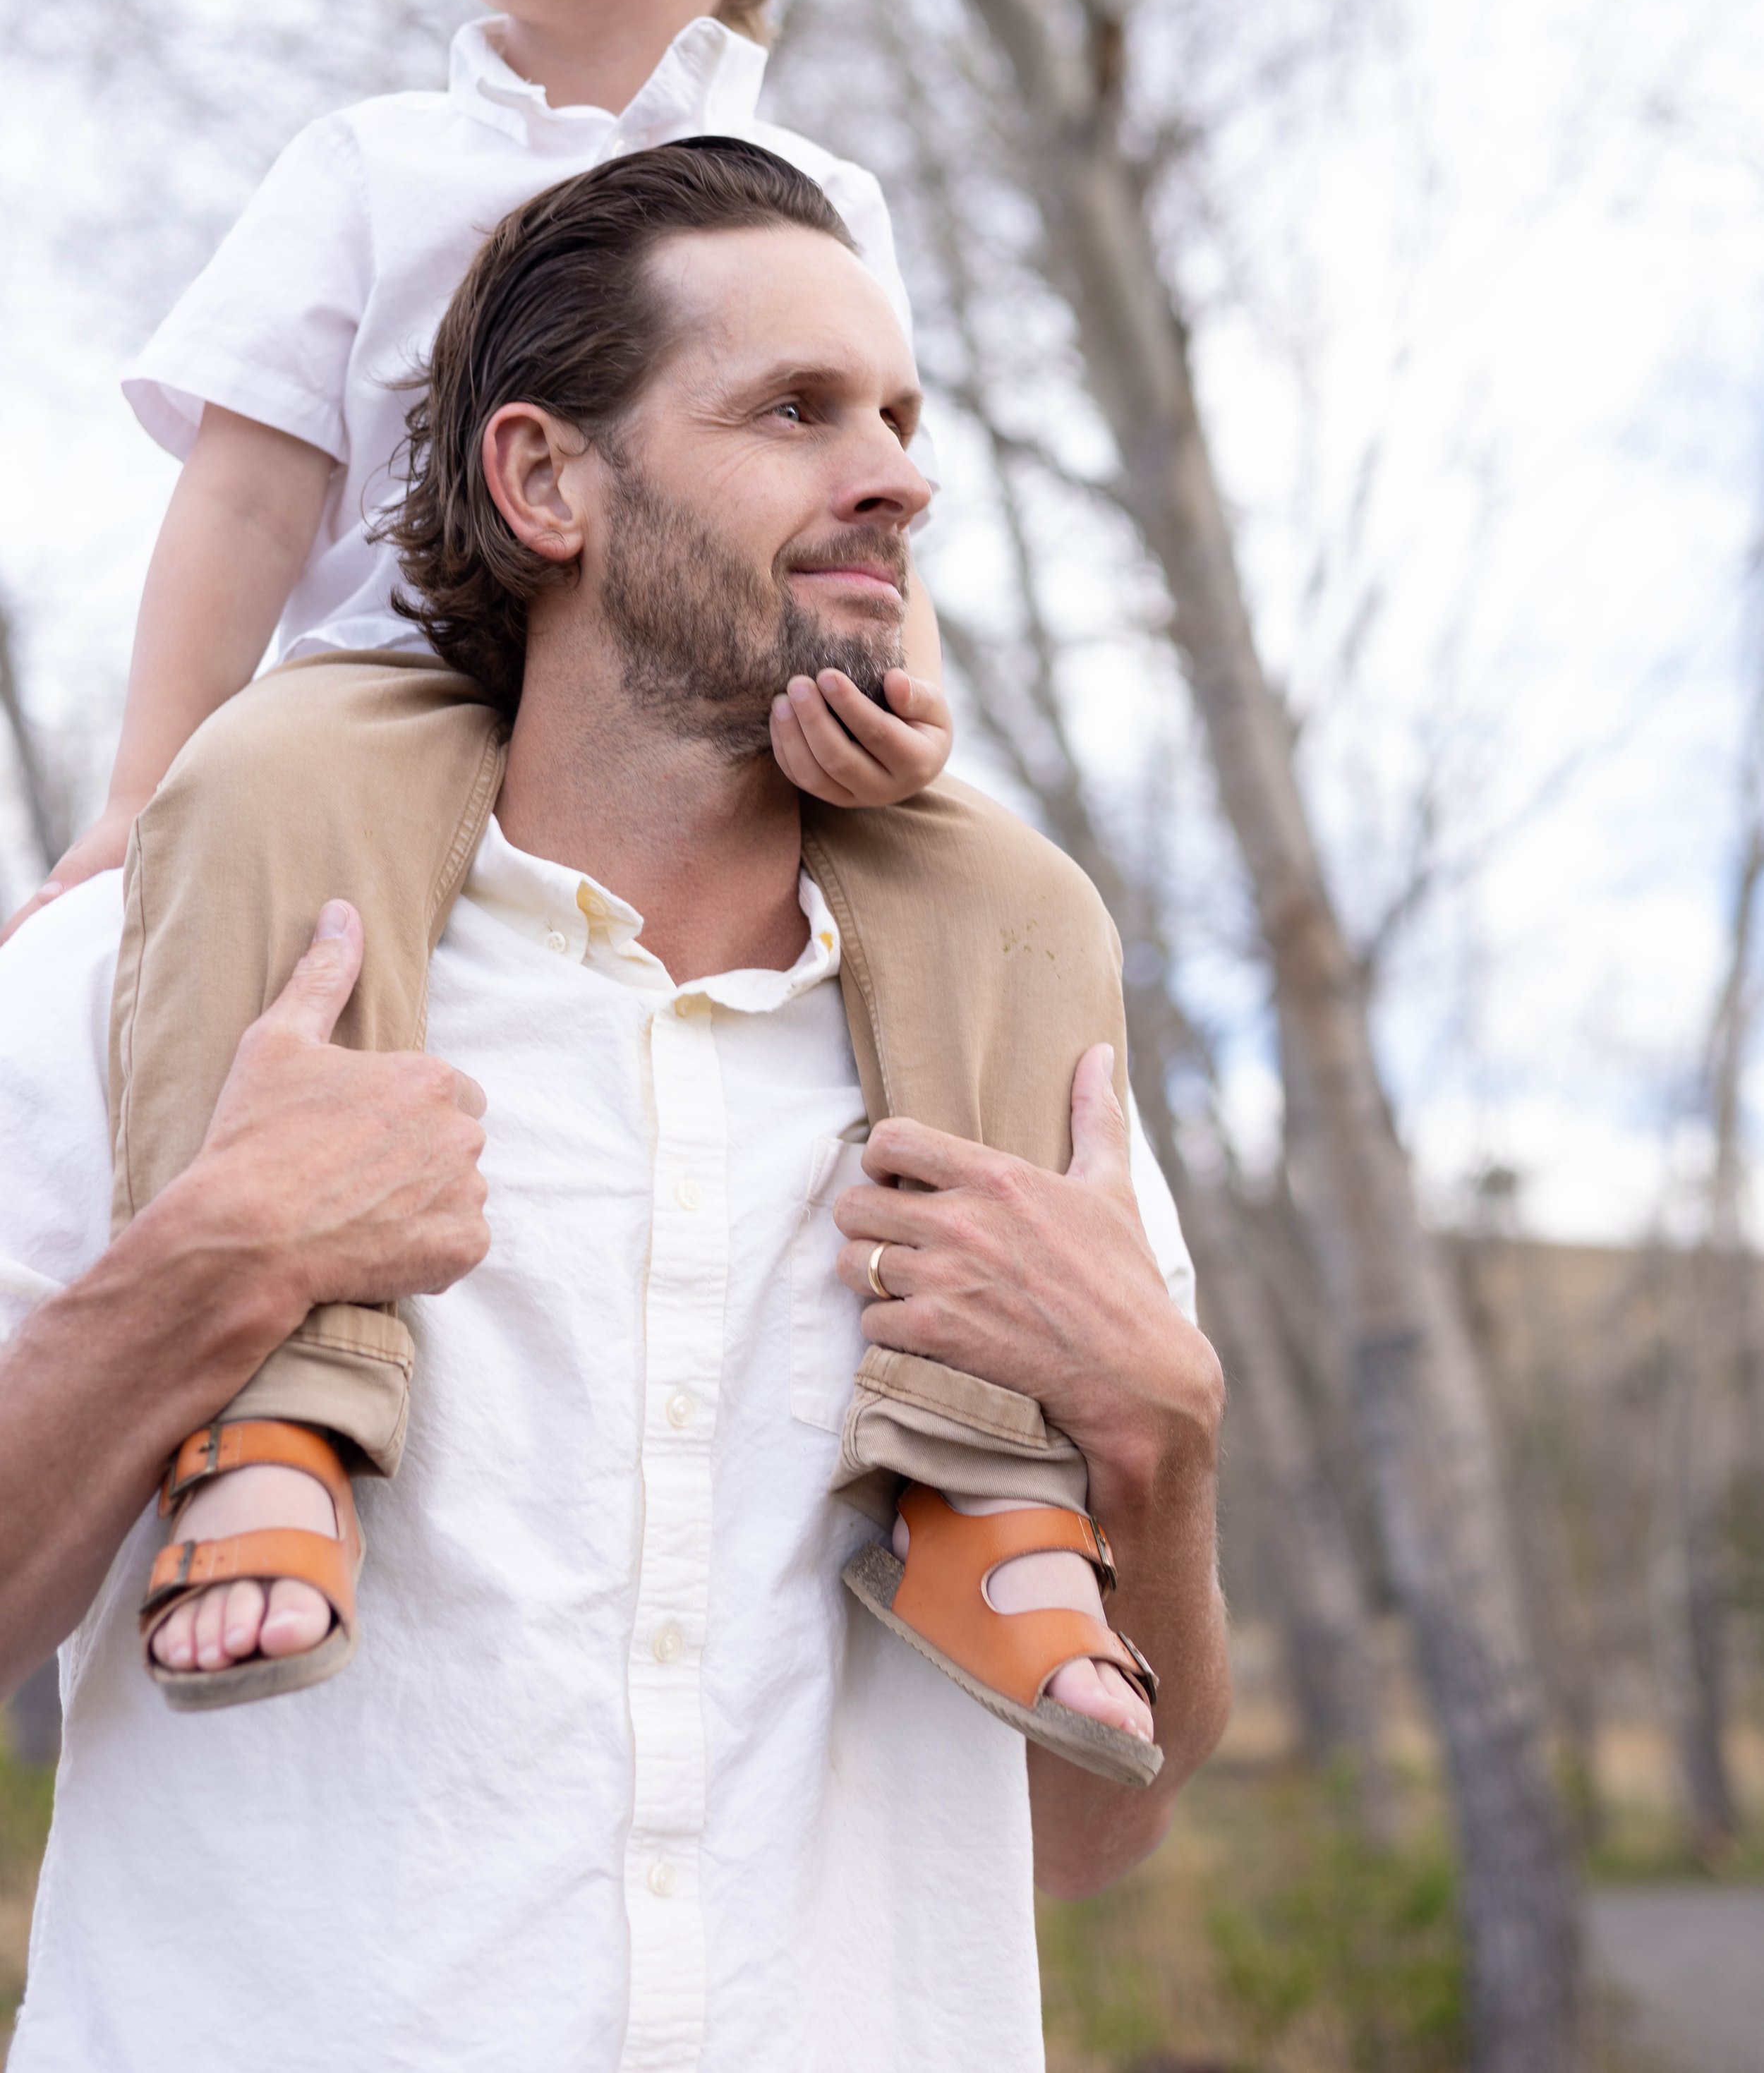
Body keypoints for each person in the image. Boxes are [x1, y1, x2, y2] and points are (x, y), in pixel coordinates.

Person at [0, 143, 1228, 2072]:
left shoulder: (1007, 1065)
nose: (897, 476)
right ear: (544, 481)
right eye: (794, 410)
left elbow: (1091, 1836)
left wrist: (1160, 1436)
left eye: (900, 421)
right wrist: (216, 1260)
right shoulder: (149, 982)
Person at [0, 0, 955, 1662]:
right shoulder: (371, 165)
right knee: (260, 803)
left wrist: (905, 701)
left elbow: (865, 485)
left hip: (703, 723)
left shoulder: (814, 197)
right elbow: (246, 497)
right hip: (392, 689)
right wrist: (140, 795)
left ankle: (987, 1476)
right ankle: (274, 1417)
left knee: (998, 886)